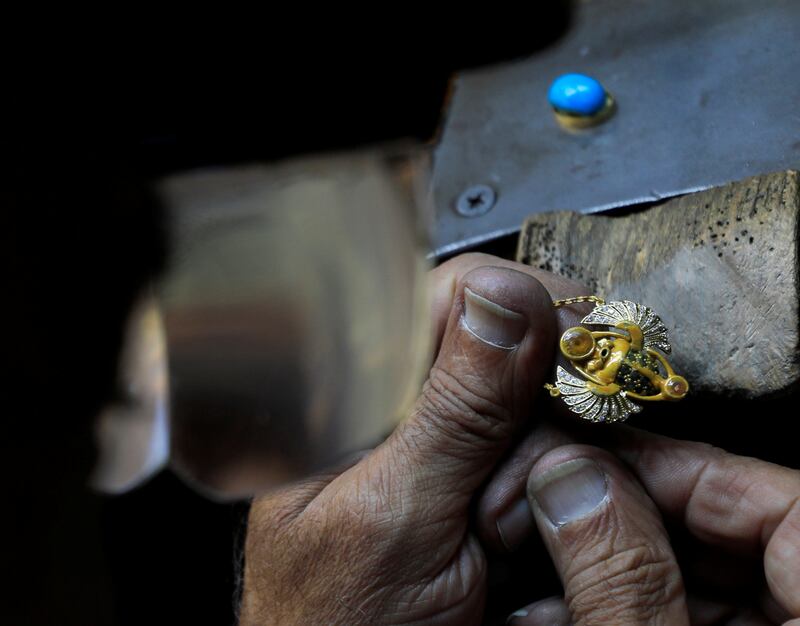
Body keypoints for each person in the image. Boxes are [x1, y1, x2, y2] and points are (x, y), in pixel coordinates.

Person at [239, 253, 800, 625]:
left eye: (595, 348)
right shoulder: (577, 384)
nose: (593, 352)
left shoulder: (613, 356)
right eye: (588, 351)